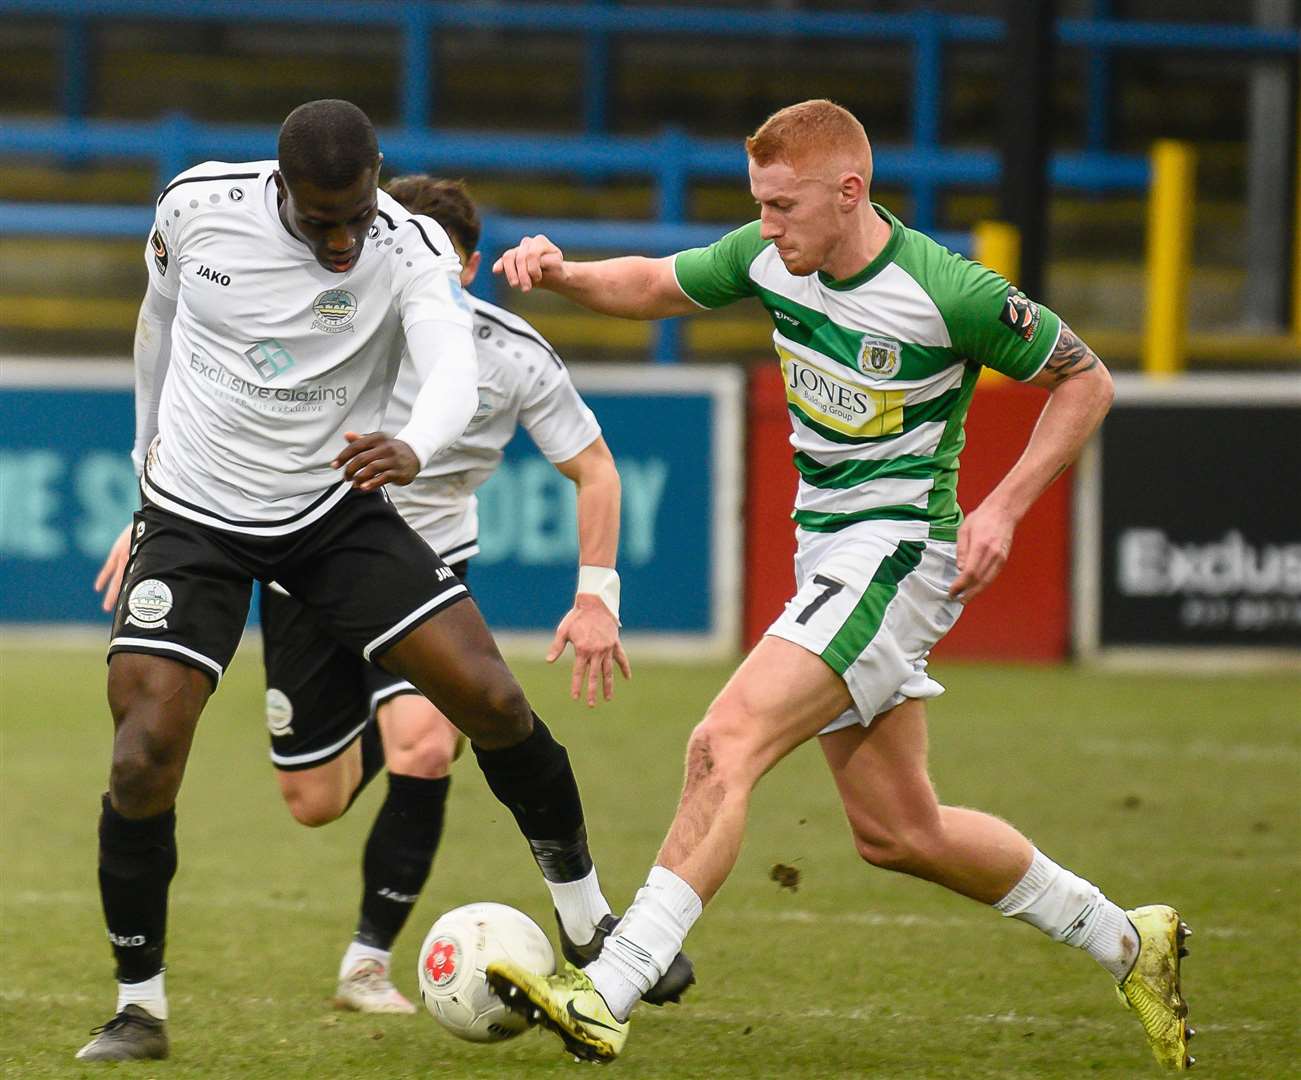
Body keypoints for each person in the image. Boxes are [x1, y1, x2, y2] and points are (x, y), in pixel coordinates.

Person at [484, 99, 1195, 1072]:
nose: (766, 228)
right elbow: (654, 281)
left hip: (896, 554)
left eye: (780, 206)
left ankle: (608, 990)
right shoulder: (773, 255)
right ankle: (1127, 939)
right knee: (901, 832)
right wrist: (562, 275)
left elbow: (1086, 380)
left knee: (720, 743)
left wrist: (1002, 507)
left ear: (848, 191)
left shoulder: (946, 290)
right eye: (758, 207)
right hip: (827, 557)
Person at [77, 101, 686, 1063]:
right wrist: (144, 462)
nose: (341, 240)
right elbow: (157, 322)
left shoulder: (404, 244)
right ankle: (139, 1006)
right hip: (194, 512)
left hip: (333, 508)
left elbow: (448, 360)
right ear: (279, 189)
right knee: (145, 752)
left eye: (354, 215)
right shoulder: (195, 207)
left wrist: (414, 442)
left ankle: (590, 923)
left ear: (377, 182)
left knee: (488, 696)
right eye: (320, 222)